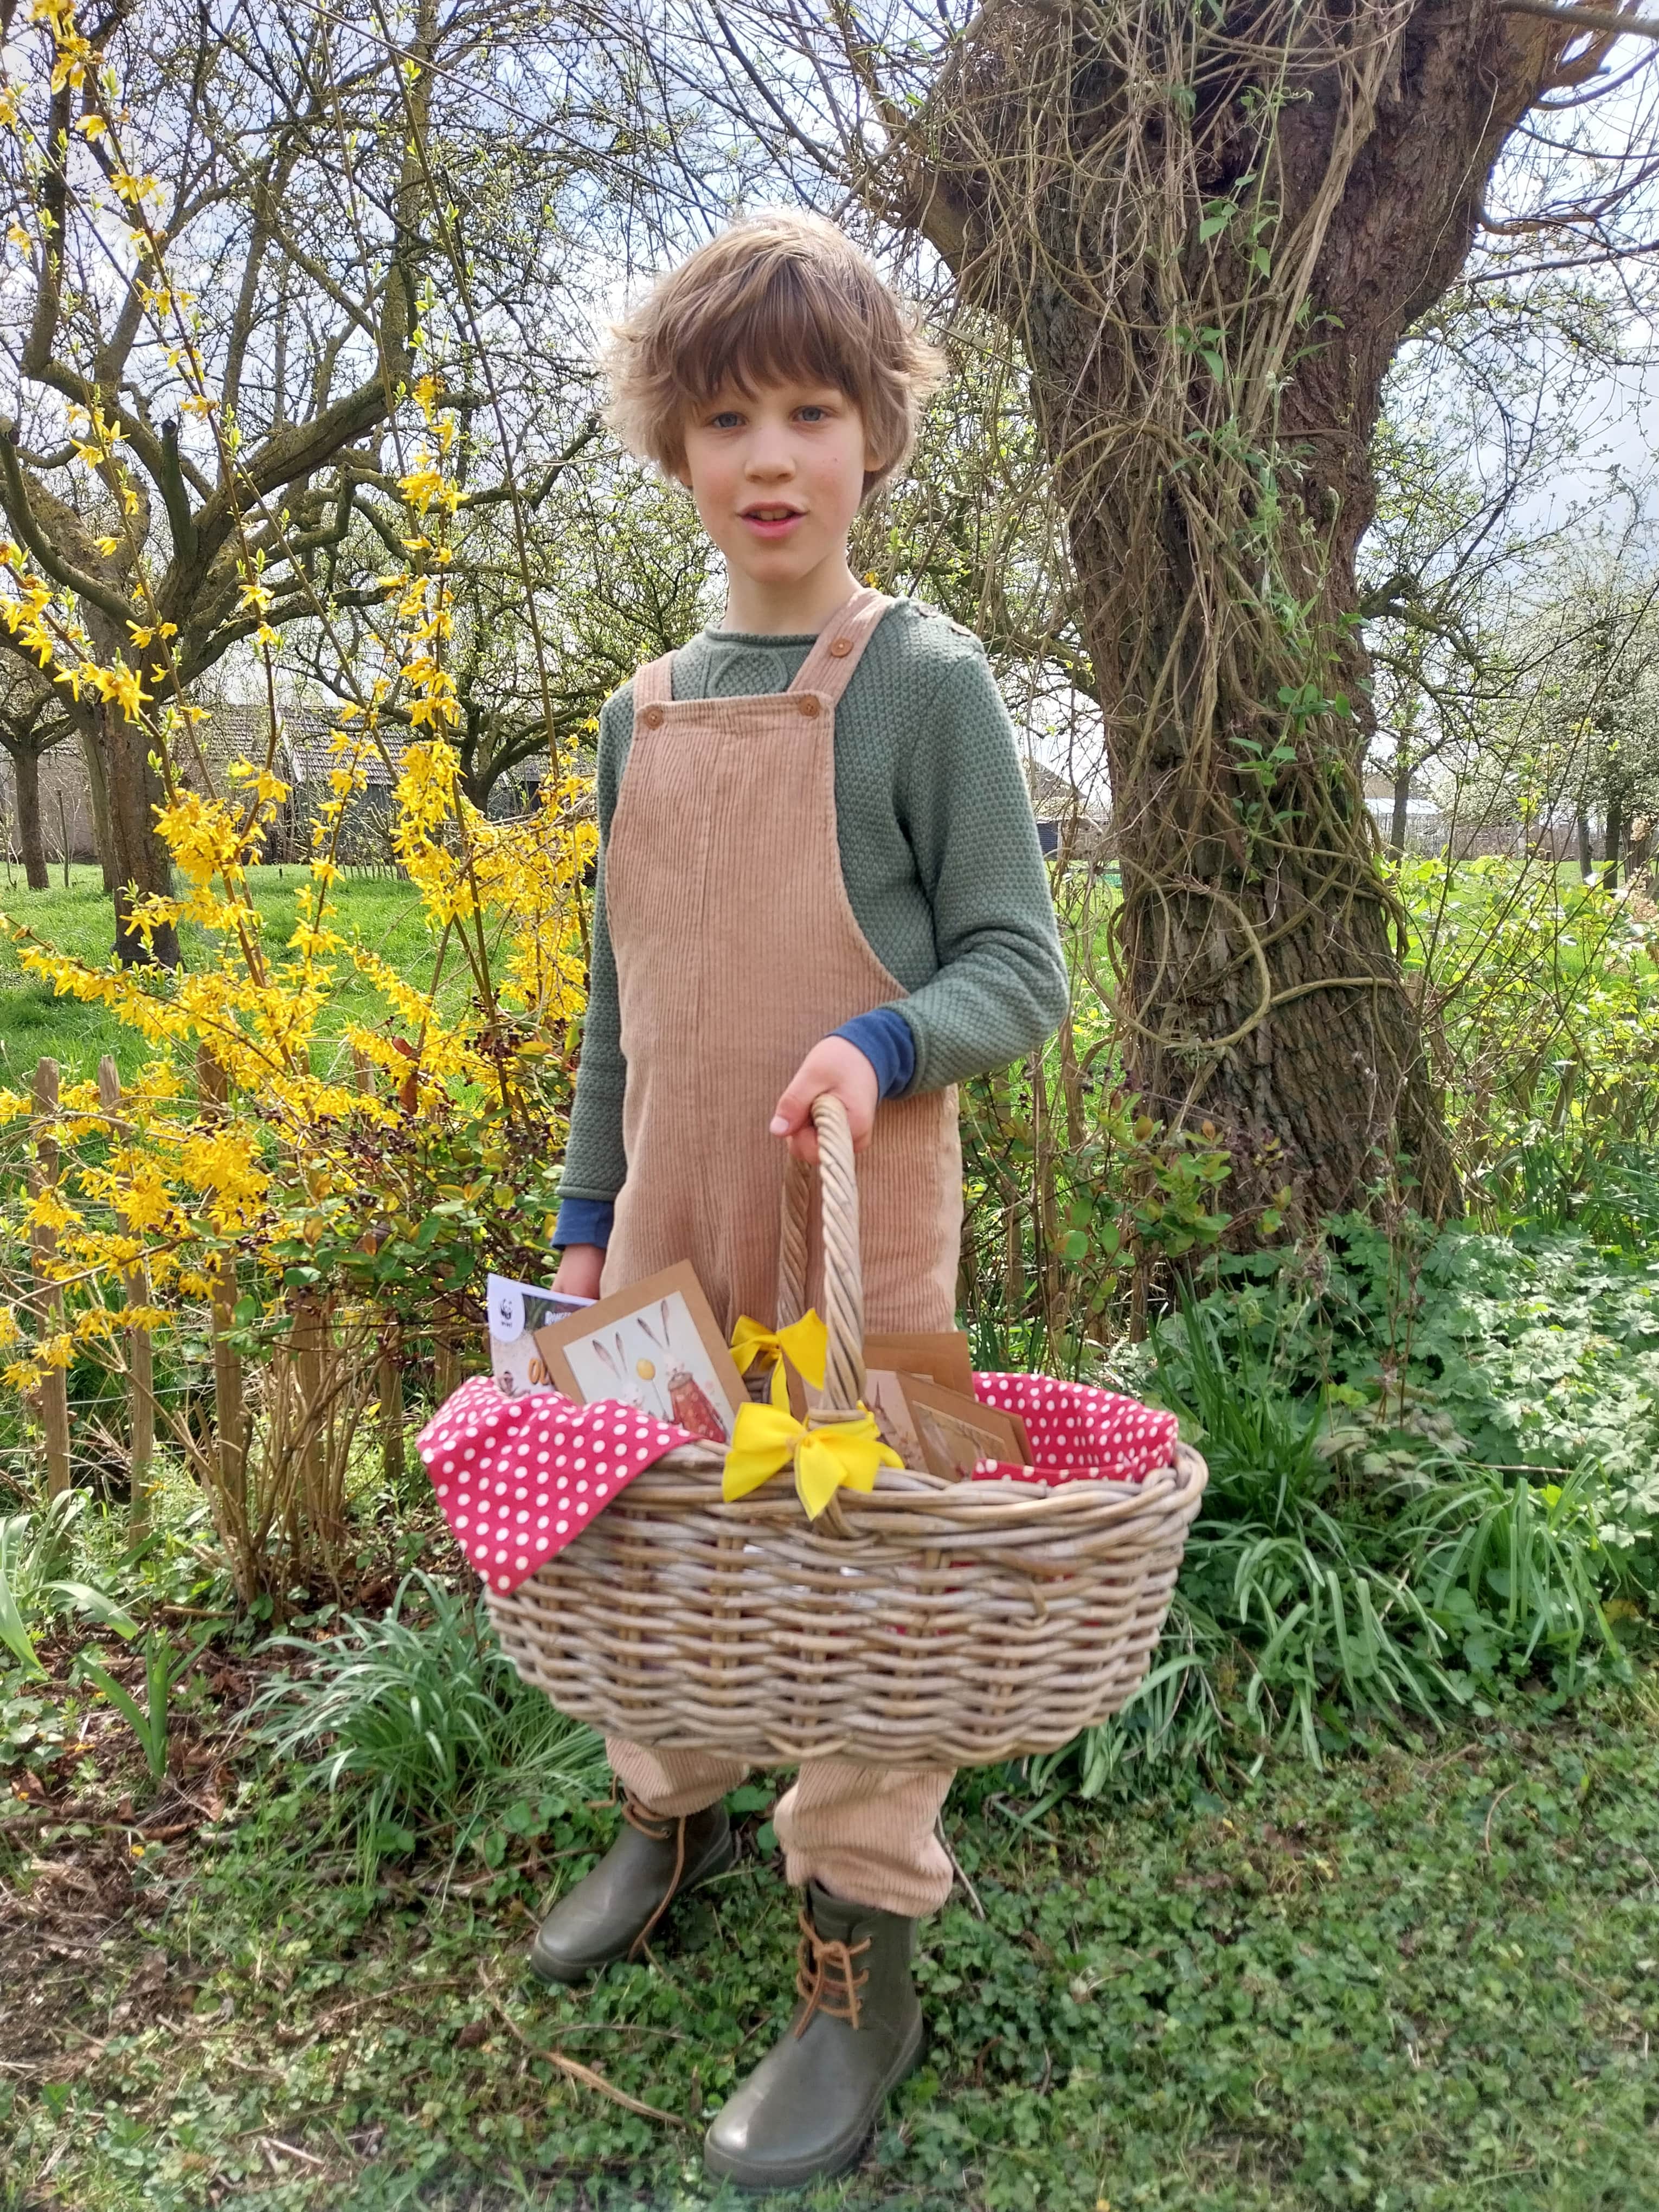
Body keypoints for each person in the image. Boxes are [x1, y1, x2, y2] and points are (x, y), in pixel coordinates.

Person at [541, 209, 1068, 2190]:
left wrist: (881, 1041)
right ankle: (659, 1806)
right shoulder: (641, 709)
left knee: (867, 1571)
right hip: (668, 1206)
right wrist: (588, 1217)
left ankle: (861, 1946)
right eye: (728, 417)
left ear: (877, 435)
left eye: (813, 410)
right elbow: (622, 1007)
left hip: (858, 1224)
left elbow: (1021, 963)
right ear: (675, 452)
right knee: (652, 1536)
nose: (771, 456)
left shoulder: (922, 680)